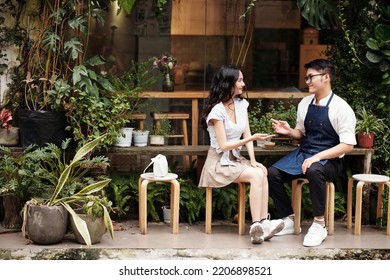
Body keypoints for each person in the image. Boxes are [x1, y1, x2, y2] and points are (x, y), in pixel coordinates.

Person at [268, 59, 356, 247]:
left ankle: (319, 224)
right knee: (273, 173)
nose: (307, 81)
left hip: (330, 160)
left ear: (326, 77)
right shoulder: (305, 103)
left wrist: (317, 157)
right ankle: (288, 220)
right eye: (306, 77)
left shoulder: (341, 107)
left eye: (311, 77)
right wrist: (289, 131)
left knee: (315, 170)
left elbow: (348, 145)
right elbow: (301, 134)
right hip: (305, 153)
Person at [198, 64, 284, 244]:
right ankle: (256, 225)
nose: (243, 84)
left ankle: (263, 225)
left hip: (235, 159)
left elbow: (247, 133)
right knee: (255, 175)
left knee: (261, 171)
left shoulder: (241, 104)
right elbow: (224, 145)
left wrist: (253, 160)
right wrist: (250, 139)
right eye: (240, 80)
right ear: (228, 83)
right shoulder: (216, 111)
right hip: (218, 163)